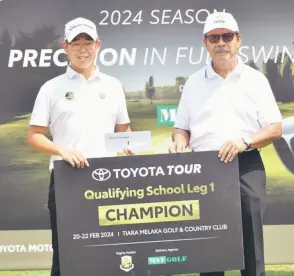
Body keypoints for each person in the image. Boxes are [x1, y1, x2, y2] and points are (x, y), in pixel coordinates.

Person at [169, 12, 282, 276]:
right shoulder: (194, 82)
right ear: (205, 42)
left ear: (238, 40)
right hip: (204, 168)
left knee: (251, 239)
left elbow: (275, 128)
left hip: (246, 164)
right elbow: (181, 128)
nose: (221, 42)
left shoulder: (256, 79)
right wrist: (178, 141)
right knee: (209, 245)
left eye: (227, 36)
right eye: (214, 37)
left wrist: (246, 141)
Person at [27, 17, 133, 276]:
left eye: (88, 43)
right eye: (76, 43)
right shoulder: (51, 88)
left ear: (98, 45)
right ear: (65, 46)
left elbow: (123, 130)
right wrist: (62, 150)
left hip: (108, 181)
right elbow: (34, 135)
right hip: (67, 180)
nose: (83, 49)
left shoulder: (113, 86)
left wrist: (128, 145)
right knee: (66, 258)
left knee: (110, 255)